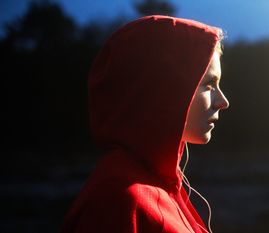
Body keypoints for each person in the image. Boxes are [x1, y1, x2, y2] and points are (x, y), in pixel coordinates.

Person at [61, 15, 229, 233]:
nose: (223, 101)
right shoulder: (119, 200)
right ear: (162, 87)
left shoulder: (158, 182)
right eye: (208, 84)